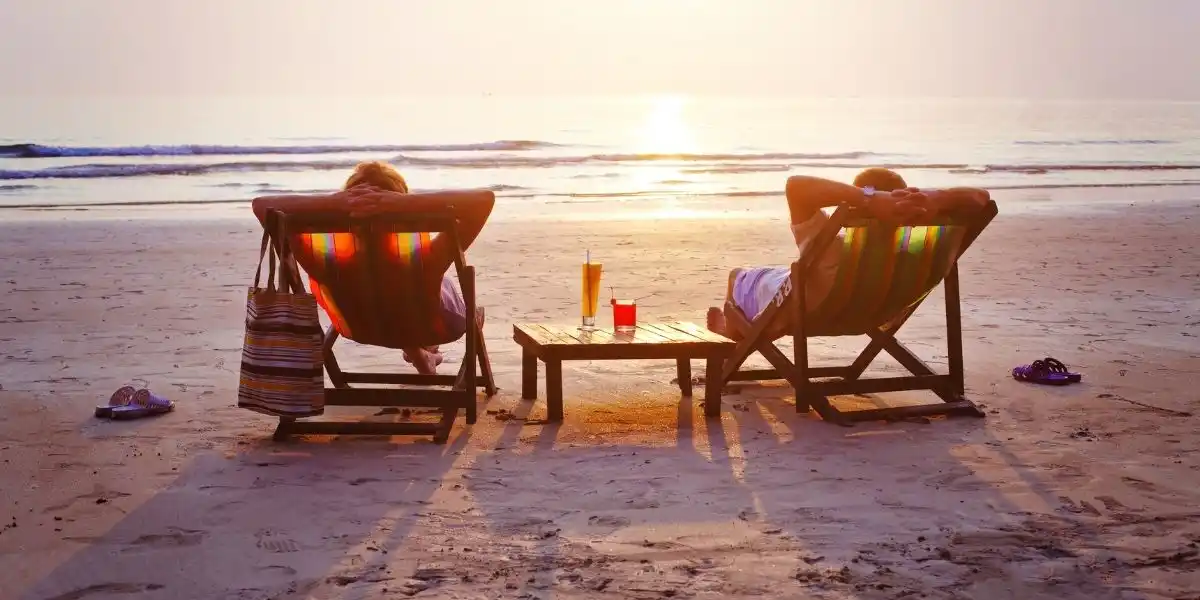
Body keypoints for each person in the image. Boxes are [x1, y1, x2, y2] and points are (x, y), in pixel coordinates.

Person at [251, 161, 492, 375]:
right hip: (433, 328)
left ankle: (423, 354)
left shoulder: (326, 262)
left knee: (400, 294)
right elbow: (484, 200)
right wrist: (405, 204)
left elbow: (262, 206)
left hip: (360, 329)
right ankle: (423, 350)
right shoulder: (425, 259)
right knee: (434, 287)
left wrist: (333, 203)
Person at [707, 169, 991, 340]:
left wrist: (866, 198)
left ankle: (730, 330)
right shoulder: (915, 251)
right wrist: (935, 199)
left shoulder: (831, 245)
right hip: (875, 308)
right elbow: (981, 198)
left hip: (808, 307)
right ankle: (732, 324)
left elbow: (796, 186)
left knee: (738, 277)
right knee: (778, 275)